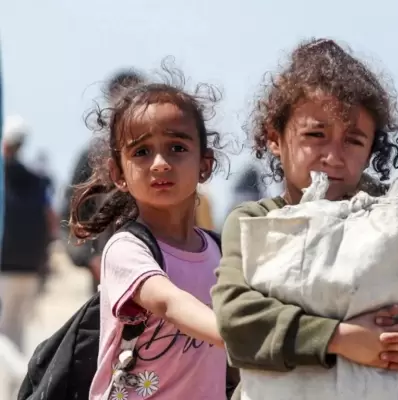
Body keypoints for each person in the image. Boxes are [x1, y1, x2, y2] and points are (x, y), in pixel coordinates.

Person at [212, 38, 398, 397]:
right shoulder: (256, 221)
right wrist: (340, 339)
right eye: (315, 135)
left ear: (372, 148)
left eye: (354, 140)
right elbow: (236, 319)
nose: (333, 156)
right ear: (275, 138)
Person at [69, 64, 230, 399]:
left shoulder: (221, 253)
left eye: (177, 147)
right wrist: (252, 338)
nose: (160, 163)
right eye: (141, 152)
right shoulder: (127, 249)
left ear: (205, 165)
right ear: (119, 174)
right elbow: (168, 303)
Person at [61, 69, 146, 292]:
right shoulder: (94, 155)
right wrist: (89, 259)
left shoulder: (162, 154)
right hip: (106, 275)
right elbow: (70, 213)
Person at [0, 117, 57, 352]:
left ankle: (16, 369)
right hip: (32, 266)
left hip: (5, 267)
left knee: (4, 333)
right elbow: (51, 220)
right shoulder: (38, 180)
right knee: (17, 331)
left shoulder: (6, 179)